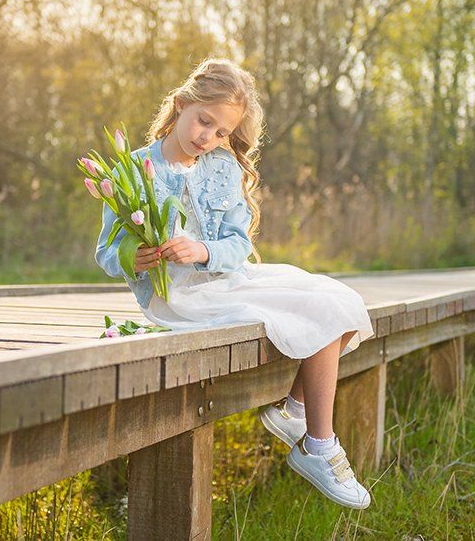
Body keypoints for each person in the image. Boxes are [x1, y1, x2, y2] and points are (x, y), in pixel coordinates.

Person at [94, 58, 375, 509]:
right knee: (322, 312)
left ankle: (294, 411)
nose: (208, 138)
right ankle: (319, 446)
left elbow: (237, 245)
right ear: (182, 104)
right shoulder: (132, 169)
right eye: (204, 122)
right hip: (179, 299)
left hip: (228, 278)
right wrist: (136, 257)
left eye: (222, 132)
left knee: (337, 299)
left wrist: (203, 250)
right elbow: (106, 253)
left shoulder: (222, 168)